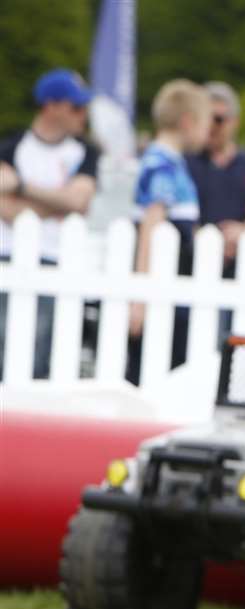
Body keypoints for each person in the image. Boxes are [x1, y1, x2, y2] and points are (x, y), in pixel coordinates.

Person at [0, 68, 100, 379]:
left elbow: (77, 201)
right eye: (76, 107)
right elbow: (7, 210)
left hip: (57, 263)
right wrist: (56, 202)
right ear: (51, 105)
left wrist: (21, 189)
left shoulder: (86, 151)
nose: (83, 115)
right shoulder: (11, 145)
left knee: (41, 358)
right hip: (7, 258)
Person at [129, 80, 212, 377]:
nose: (209, 132)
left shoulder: (171, 162)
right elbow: (152, 228)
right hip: (159, 292)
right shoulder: (161, 165)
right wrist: (140, 297)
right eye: (206, 123)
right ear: (188, 122)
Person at [188, 82, 245, 275]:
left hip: (239, 270)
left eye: (218, 119)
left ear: (235, 121)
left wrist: (242, 231)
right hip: (190, 267)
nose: (211, 126)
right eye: (206, 118)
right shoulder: (185, 162)